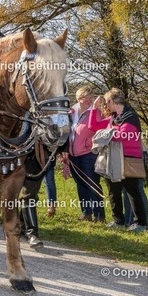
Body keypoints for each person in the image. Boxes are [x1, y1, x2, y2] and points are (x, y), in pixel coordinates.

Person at [89, 88, 148, 232]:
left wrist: (105, 134)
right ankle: (118, 221)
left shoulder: (130, 116)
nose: (106, 105)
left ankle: (141, 223)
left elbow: (123, 136)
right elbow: (94, 126)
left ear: (113, 101)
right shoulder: (114, 118)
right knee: (113, 191)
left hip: (129, 159)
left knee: (132, 192)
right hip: (113, 159)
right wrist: (94, 109)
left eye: (107, 102)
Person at [61, 86, 105, 222]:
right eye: (86, 97)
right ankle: (86, 212)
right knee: (80, 183)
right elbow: (66, 131)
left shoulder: (95, 112)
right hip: (73, 154)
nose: (89, 100)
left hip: (88, 153)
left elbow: (101, 131)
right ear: (79, 98)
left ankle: (99, 215)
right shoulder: (71, 112)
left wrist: (90, 143)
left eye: (91, 97)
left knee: (93, 183)